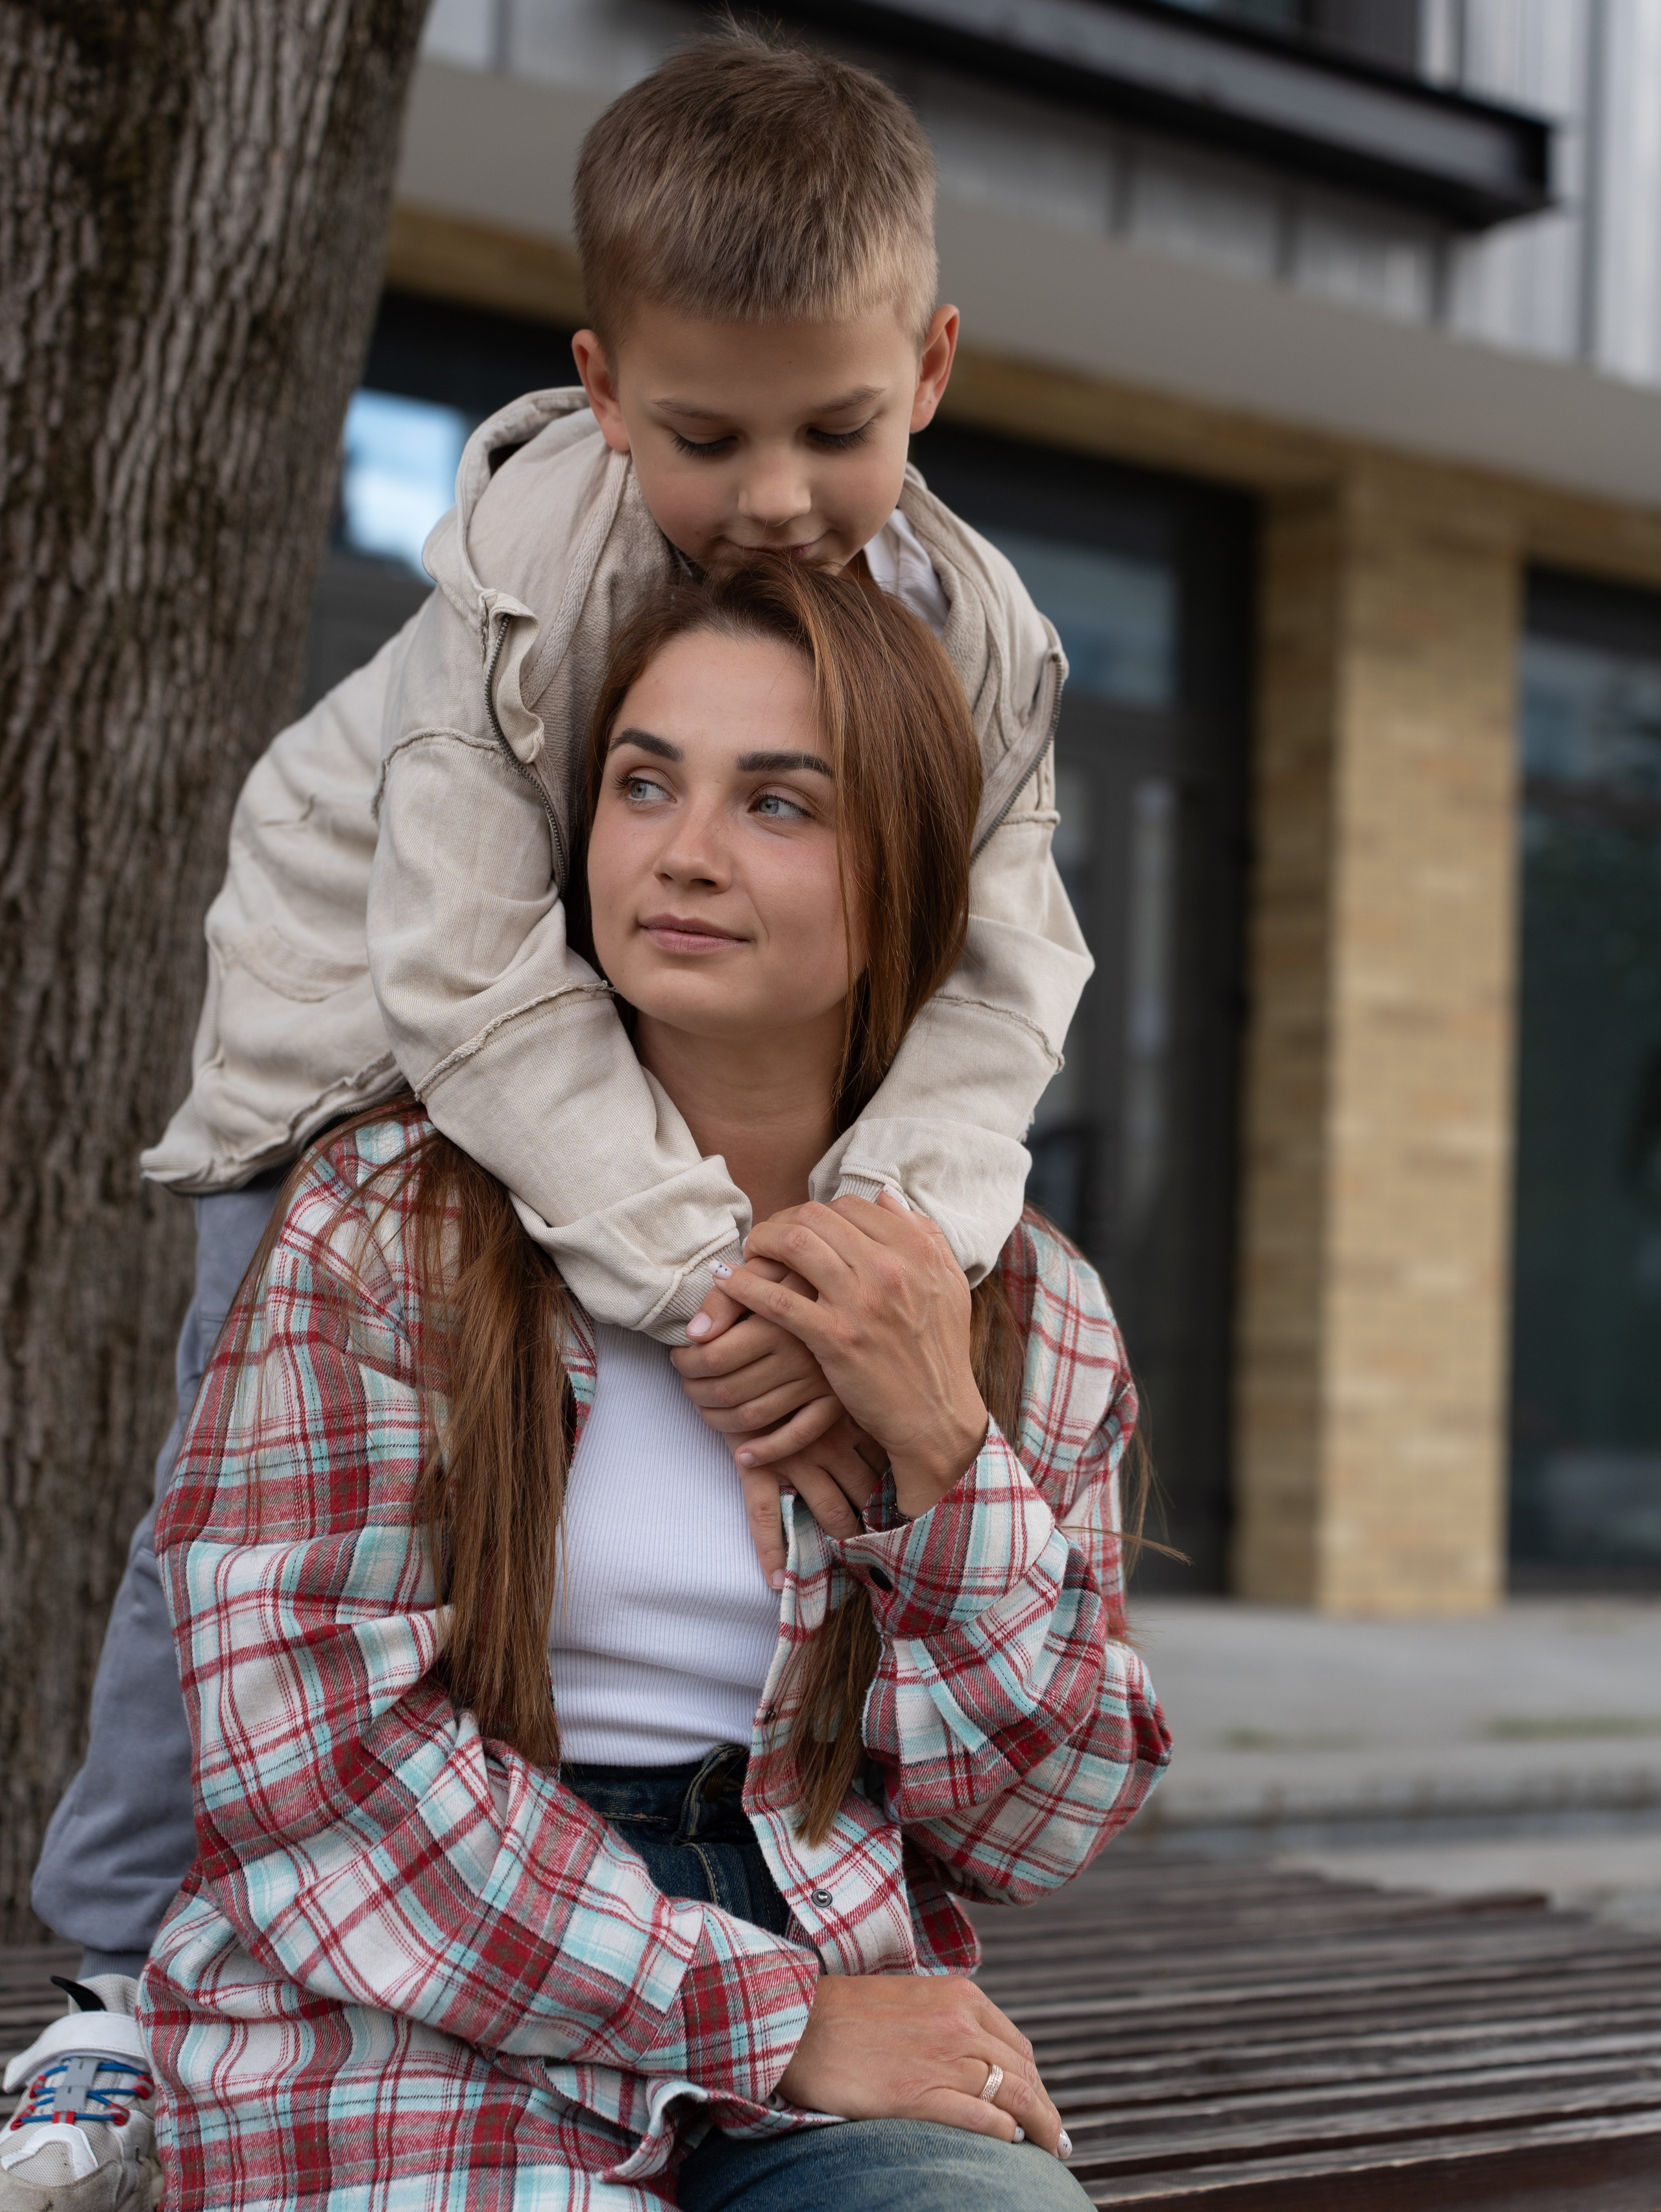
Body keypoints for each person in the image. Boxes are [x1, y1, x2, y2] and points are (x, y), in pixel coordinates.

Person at [11, 30, 1095, 2209]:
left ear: (931, 372)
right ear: (603, 392)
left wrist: (890, 1237)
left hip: (763, 1952)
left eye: (836, 429)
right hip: (360, 1006)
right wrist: (712, 1279)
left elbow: (1009, 966)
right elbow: (480, 990)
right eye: (707, 437)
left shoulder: (978, 637)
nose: (775, 494)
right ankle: (124, 1970)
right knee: (217, 1497)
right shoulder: (524, 597)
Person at [137, 561, 1168, 2211]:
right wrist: (767, 2019)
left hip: (826, 1961)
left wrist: (939, 1444)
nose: (682, 852)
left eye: (778, 802)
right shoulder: (394, 1225)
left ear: (910, 874)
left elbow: (1038, 1825)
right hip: (411, 2007)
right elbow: (307, 1764)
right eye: (642, 783)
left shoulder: (1020, 1307)